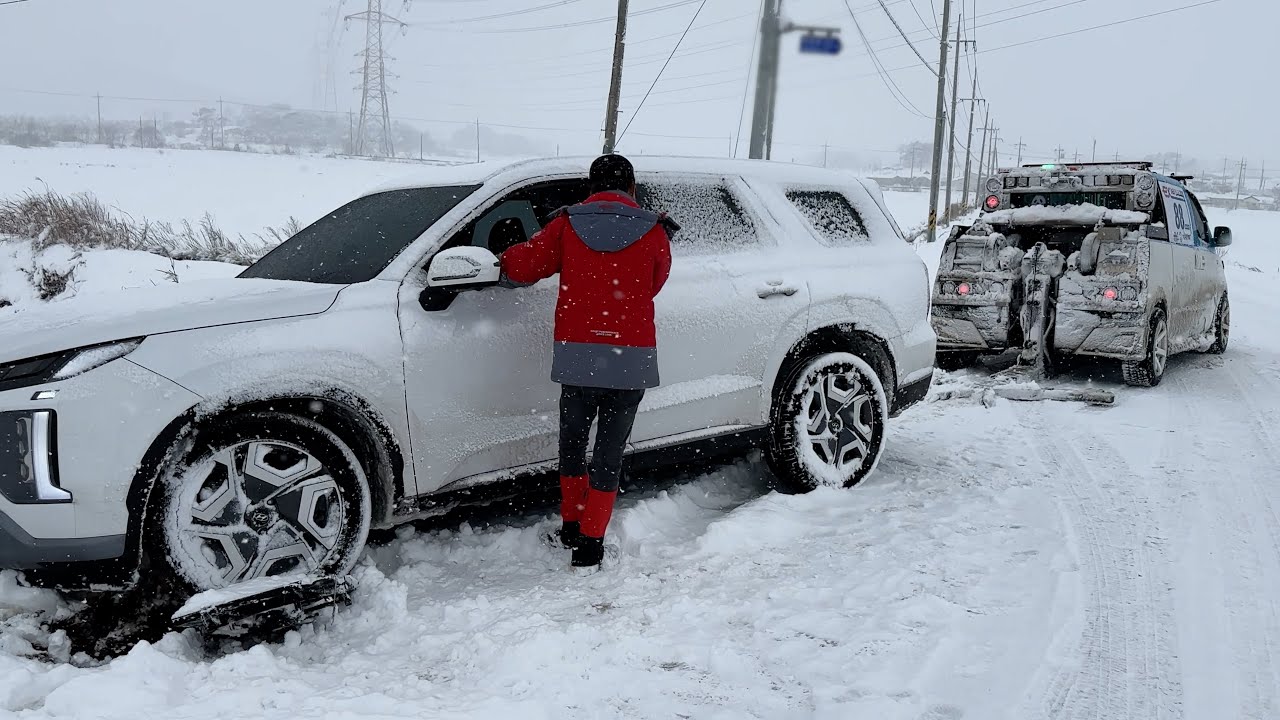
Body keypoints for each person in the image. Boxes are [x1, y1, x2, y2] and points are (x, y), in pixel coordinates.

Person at [499, 154, 675, 573]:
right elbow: (655, 282)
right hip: (629, 359)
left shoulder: (567, 225)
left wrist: (502, 259)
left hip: (580, 357)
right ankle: (591, 545)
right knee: (609, 454)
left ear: (591, 188)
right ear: (631, 187)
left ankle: (571, 526)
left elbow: (523, 266)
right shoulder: (654, 231)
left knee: (573, 444)